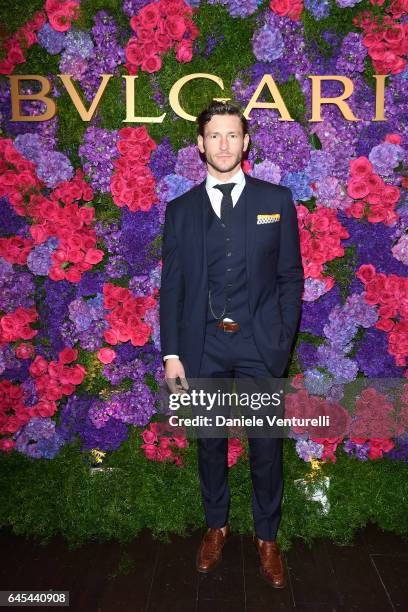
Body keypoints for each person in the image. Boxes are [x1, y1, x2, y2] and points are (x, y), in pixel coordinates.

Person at [159, 101, 304, 588]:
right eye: (214, 136)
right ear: (200, 144)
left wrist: (281, 343)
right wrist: (172, 353)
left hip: (261, 347)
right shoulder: (179, 212)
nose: (223, 144)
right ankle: (216, 527)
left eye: (232, 135)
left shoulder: (276, 200)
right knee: (209, 446)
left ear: (246, 142)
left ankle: (267, 537)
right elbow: (173, 287)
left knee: (266, 447)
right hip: (202, 349)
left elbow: (289, 277)